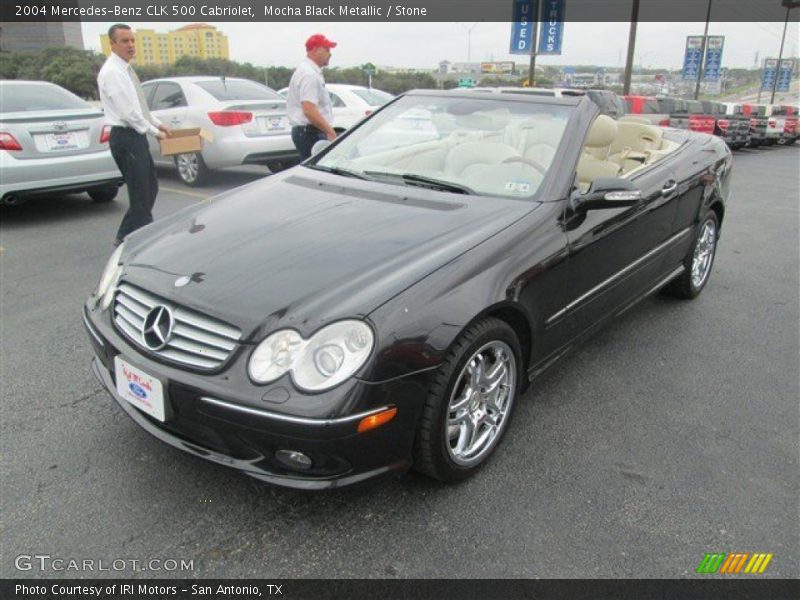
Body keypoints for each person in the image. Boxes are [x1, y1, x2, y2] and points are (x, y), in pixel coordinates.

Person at [97, 23, 170, 247]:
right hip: (126, 137)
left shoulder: (125, 70)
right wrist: (155, 132)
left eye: (132, 40)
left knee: (149, 188)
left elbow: (139, 106)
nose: (130, 45)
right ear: (112, 44)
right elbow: (128, 113)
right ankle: (143, 243)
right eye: (124, 41)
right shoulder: (112, 73)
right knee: (141, 193)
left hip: (135, 137)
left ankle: (125, 236)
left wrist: (159, 124)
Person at [286, 34, 338, 161]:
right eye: (327, 49)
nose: (330, 54)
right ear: (315, 49)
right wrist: (330, 132)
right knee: (319, 173)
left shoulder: (308, 71)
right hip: (311, 133)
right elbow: (309, 109)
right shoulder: (309, 75)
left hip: (308, 132)